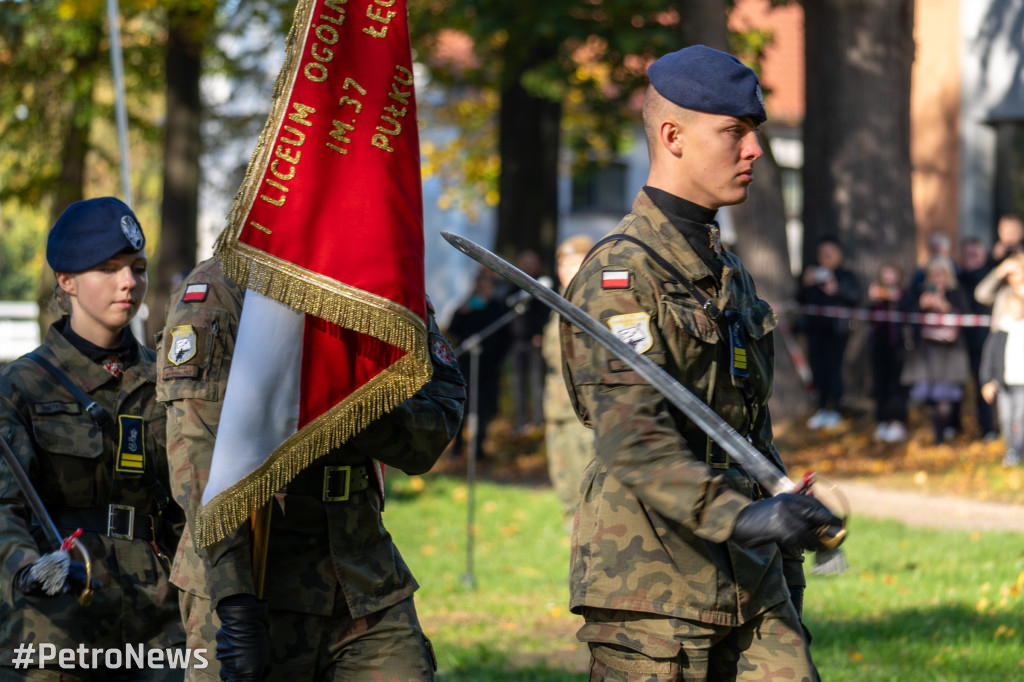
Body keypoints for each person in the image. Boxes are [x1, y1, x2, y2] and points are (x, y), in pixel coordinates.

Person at [558, 45, 843, 681]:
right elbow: (634, 441)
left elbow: (748, 423)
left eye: (754, 134)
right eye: (734, 133)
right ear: (673, 136)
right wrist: (743, 519)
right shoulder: (619, 278)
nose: (754, 152)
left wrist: (784, 520)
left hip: (750, 577)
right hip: (653, 586)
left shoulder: (727, 273)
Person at [156, 257, 465, 681]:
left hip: (362, 574)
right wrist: (237, 604)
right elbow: (198, 464)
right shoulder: (225, 286)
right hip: (252, 568)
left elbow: (430, 433)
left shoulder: (382, 278)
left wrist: (346, 388)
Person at [0, 197, 185, 678]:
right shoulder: (22, 387)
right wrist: (26, 568)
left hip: (160, 622)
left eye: (137, 268)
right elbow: (4, 506)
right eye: (109, 268)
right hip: (55, 623)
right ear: (67, 280)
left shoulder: (168, 383)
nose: (129, 282)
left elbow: (193, 503)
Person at [541, 235, 595, 528]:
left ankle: (586, 537)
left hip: (581, 407)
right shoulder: (559, 300)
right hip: (556, 404)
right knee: (562, 479)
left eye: (573, 263)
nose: (566, 270)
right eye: (562, 264)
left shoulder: (591, 301)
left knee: (582, 479)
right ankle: (569, 535)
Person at [900, 256, 973, 444]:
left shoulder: (956, 292)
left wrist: (945, 306)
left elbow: (966, 318)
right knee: (929, 395)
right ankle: (937, 431)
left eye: (939, 274)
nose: (936, 278)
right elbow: (907, 317)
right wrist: (920, 306)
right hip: (927, 352)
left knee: (946, 394)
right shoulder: (920, 292)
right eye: (932, 275)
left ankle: (946, 430)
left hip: (950, 352)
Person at [795, 236, 861, 430]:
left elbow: (855, 297)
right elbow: (800, 299)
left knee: (834, 370)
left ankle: (837, 409)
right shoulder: (813, 275)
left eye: (830, 253)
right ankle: (822, 408)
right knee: (818, 369)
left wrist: (836, 290)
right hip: (815, 329)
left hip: (837, 331)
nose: (826, 257)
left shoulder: (846, 276)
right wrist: (806, 284)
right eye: (822, 254)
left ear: (839, 254)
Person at [446, 267, 510, 458]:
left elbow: (506, 337)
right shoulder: (467, 306)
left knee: (484, 408)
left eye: (486, 285)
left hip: (489, 368)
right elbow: (453, 329)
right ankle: (457, 446)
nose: (482, 288)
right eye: (479, 284)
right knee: (462, 406)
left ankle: (479, 446)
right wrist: (464, 311)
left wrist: (498, 359)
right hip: (465, 366)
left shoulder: (498, 309)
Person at [506, 250, 550, 434]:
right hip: (516, 343)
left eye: (531, 263)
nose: (527, 267)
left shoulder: (543, 284)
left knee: (537, 383)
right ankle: (519, 422)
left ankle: (539, 421)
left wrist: (540, 333)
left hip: (536, 343)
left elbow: (545, 312)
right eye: (524, 262)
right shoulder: (513, 286)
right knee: (517, 384)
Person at [958, 237, 997, 440]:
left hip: (989, 341)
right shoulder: (958, 277)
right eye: (968, 254)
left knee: (988, 384)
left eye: (975, 254)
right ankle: (965, 428)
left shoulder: (991, 276)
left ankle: (991, 428)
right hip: (962, 343)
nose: (971, 258)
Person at [980, 292, 1024, 466]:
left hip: (1022, 383)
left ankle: (1017, 452)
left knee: (1020, 418)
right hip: (1003, 383)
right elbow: (988, 358)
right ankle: (1011, 450)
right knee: (1006, 419)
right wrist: (987, 382)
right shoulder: (999, 332)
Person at [867, 263, 909, 442]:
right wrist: (872, 300)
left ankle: (898, 421)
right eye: (885, 274)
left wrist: (897, 300)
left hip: (898, 344)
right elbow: (867, 317)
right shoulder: (876, 295)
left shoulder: (905, 294)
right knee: (880, 383)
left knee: (897, 384)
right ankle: (882, 420)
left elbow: (909, 311)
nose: (888, 278)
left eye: (892, 274)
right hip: (878, 344)